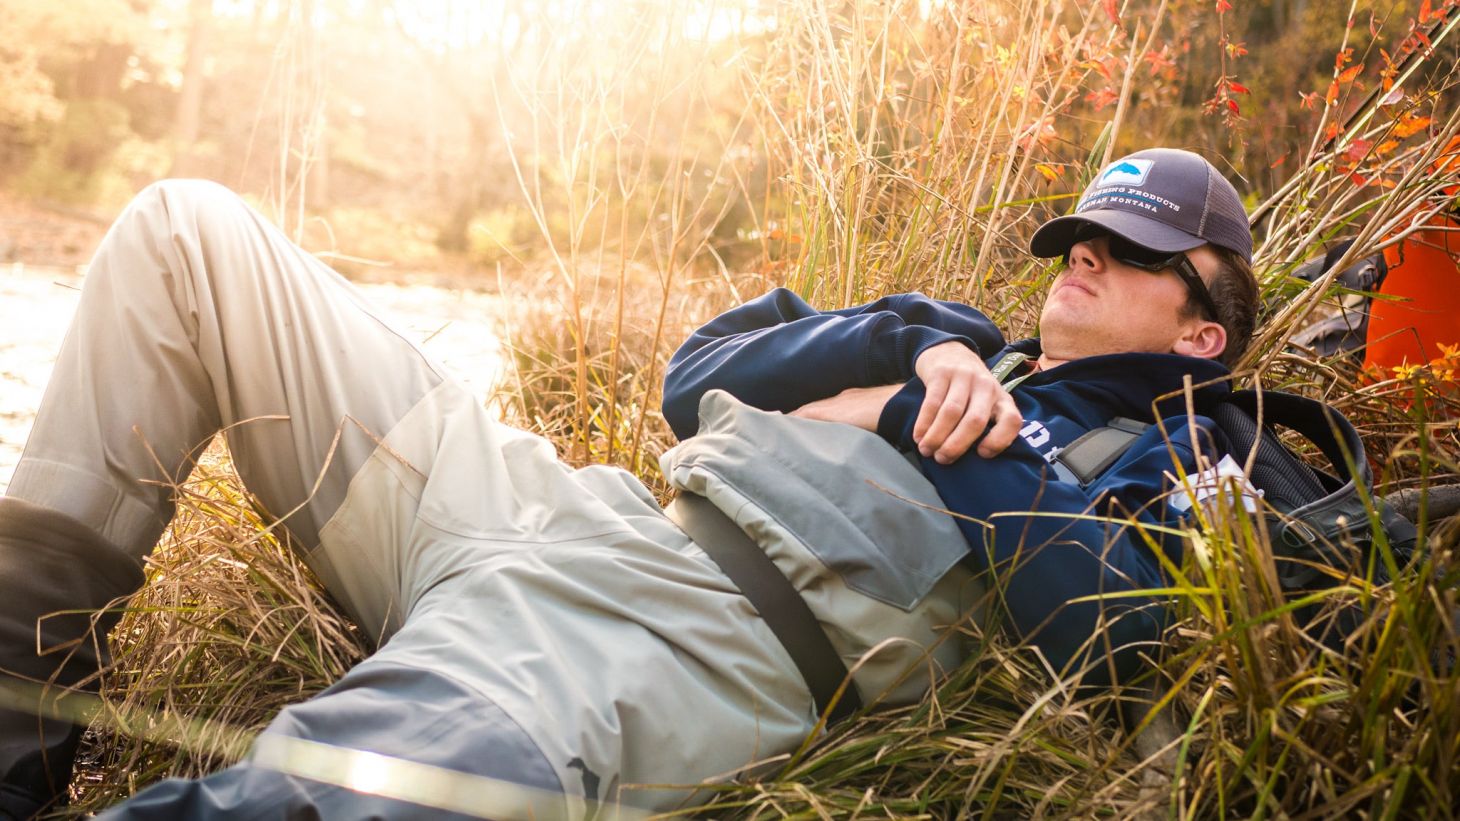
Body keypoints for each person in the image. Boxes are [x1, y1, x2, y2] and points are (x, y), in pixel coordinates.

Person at [0, 146, 1258, 819]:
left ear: (1202, 328)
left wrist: (921, 424)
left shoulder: (1192, 455)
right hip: (569, 509)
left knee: (312, 800)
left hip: (683, 638)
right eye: (1081, 236)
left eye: (1134, 253)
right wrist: (908, 344)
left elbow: (1119, 636)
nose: (1085, 256)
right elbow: (693, 373)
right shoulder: (955, 339)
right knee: (186, 234)